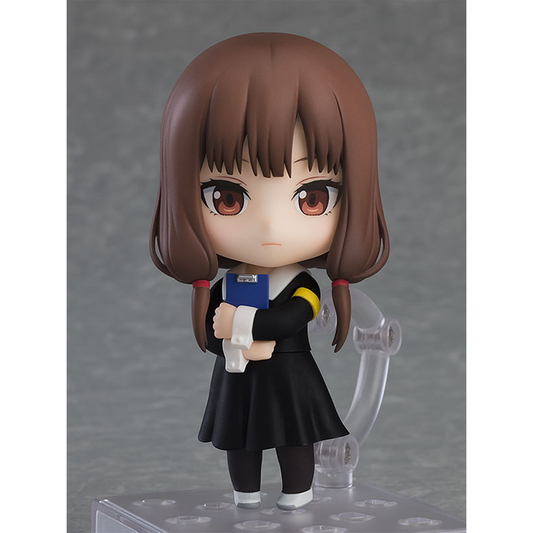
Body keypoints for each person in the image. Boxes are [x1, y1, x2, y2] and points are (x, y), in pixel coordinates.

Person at [150, 33, 389, 510]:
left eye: (312, 198)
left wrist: (240, 324)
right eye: (227, 198)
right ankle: (245, 494)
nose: (270, 227)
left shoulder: (304, 286)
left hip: (289, 376)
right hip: (236, 375)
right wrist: (226, 338)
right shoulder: (226, 284)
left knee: (294, 437)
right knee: (239, 441)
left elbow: (290, 319)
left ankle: (297, 494)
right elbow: (210, 331)